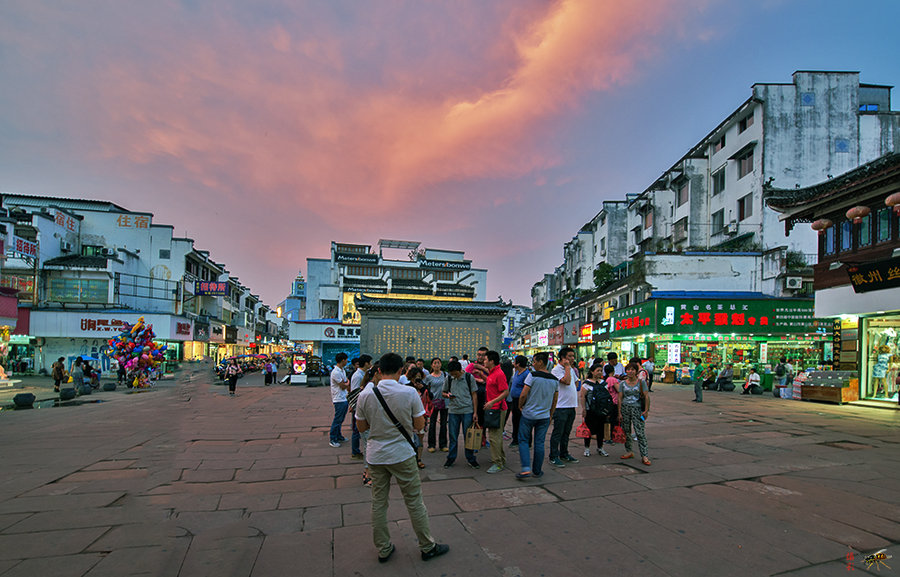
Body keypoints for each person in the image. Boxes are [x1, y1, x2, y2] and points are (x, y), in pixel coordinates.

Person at [355, 352, 449, 563]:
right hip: (403, 455)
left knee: (379, 502)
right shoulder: (409, 393)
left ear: (379, 371)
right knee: (414, 501)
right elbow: (418, 426)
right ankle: (427, 546)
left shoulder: (366, 394)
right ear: (401, 372)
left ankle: (383, 549)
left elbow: (361, 427)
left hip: (376, 456)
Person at [515, 352, 558, 480]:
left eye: (534, 361)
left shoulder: (532, 376)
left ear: (540, 362)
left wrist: (520, 406)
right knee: (539, 443)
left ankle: (526, 468)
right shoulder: (554, 380)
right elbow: (554, 401)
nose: (533, 364)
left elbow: (523, 394)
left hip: (529, 414)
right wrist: (550, 415)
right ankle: (537, 471)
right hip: (544, 416)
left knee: (523, 440)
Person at [442, 360, 479, 469]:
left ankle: (471, 458)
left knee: (468, 436)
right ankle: (451, 458)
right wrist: (447, 395)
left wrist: (475, 412)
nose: (454, 376)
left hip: (467, 410)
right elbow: (443, 392)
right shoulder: (449, 378)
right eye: (452, 374)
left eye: (455, 374)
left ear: (460, 370)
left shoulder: (468, 377)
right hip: (453, 411)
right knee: (453, 436)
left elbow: (474, 395)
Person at [549, 346, 579, 467]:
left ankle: (564, 453)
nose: (572, 358)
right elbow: (566, 381)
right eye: (570, 356)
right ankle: (553, 455)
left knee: (566, 432)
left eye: (573, 356)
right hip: (561, 407)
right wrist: (567, 367)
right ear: (563, 358)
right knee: (558, 432)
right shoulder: (556, 370)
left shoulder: (570, 369)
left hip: (571, 406)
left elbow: (576, 382)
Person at [619, 362, 651, 466]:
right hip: (625, 408)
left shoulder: (641, 382)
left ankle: (644, 455)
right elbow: (620, 398)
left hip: (638, 410)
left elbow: (646, 397)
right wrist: (619, 412)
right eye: (628, 369)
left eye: (632, 369)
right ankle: (629, 451)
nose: (630, 371)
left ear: (636, 371)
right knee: (626, 431)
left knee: (640, 432)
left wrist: (646, 410)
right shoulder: (622, 384)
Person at [482, 350, 509, 474]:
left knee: (494, 437)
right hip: (492, 408)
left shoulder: (499, 373)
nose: (484, 361)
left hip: (498, 409)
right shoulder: (492, 373)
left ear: (492, 361)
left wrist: (492, 402)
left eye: (486, 359)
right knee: (495, 436)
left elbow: (505, 392)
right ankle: (501, 459)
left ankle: (497, 463)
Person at [579, 363, 611, 457]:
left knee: (600, 430)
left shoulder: (604, 383)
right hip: (590, 410)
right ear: (592, 372)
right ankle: (587, 448)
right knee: (588, 430)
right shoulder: (586, 384)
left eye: (601, 371)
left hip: (601, 411)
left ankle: (600, 447)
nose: (599, 372)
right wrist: (584, 409)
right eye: (597, 371)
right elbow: (582, 397)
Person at [349, 354, 373, 460]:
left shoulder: (363, 373)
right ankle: (355, 451)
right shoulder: (358, 375)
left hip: (362, 406)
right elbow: (354, 392)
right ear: (366, 363)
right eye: (370, 362)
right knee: (356, 429)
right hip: (358, 406)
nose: (371, 364)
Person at [424, 358, 448, 453]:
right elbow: (425, 388)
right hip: (433, 403)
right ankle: (431, 445)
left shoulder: (445, 375)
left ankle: (443, 444)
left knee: (443, 424)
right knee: (432, 423)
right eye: (435, 363)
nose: (437, 365)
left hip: (444, 402)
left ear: (441, 365)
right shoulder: (429, 377)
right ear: (432, 365)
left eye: (438, 363)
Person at [507, 355, 532, 448]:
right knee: (515, 420)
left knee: (524, 421)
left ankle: (527, 441)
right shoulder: (517, 372)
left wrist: (521, 403)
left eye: (514, 362)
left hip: (522, 401)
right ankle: (516, 439)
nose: (513, 363)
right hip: (514, 400)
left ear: (518, 364)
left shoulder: (527, 374)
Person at [465, 347, 489, 433]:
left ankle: (482, 437)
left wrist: (481, 368)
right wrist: (477, 380)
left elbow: (493, 377)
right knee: (472, 418)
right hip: (472, 397)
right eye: (479, 355)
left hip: (485, 397)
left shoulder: (489, 366)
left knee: (483, 418)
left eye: (483, 355)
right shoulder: (471, 365)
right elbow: (465, 376)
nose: (480, 357)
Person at [329, 352, 350, 448]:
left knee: (341, 419)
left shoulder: (342, 370)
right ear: (343, 360)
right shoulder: (336, 372)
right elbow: (343, 385)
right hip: (338, 398)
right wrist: (346, 383)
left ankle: (338, 435)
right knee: (337, 419)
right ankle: (333, 438)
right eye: (346, 360)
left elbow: (345, 383)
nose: (347, 361)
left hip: (343, 397)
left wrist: (346, 383)